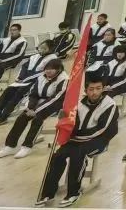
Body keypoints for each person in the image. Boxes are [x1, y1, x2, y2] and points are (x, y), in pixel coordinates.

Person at [36, 74, 118, 207]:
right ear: (86, 90)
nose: (95, 92)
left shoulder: (110, 104)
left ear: (103, 89)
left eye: (98, 88)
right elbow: (73, 123)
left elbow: (103, 129)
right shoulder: (78, 103)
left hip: (99, 140)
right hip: (77, 139)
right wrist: (64, 118)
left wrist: (77, 136)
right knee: (57, 156)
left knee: (78, 155)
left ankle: (73, 193)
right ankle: (48, 193)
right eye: (91, 89)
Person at [0, 59, 67, 159]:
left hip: (55, 104)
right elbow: (33, 94)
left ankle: (27, 146)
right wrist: (30, 108)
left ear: (59, 69)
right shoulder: (41, 77)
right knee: (22, 117)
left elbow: (55, 98)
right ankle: (10, 146)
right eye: (46, 69)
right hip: (38, 103)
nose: (48, 71)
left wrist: (35, 110)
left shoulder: (64, 79)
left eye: (52, 69)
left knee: (37, 118)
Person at [0, 40, 56, 125]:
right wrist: (20, 77)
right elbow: (24, 67)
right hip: (23, 80)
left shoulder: (53, 59)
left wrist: (26, 79)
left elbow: (43, 73)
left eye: (44, 48)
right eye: (41, 47)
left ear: (50, 50)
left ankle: (3, 117)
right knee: (7, 91)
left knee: (17, 95)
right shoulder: (34, 57)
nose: (41, 50)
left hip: (36, 82)